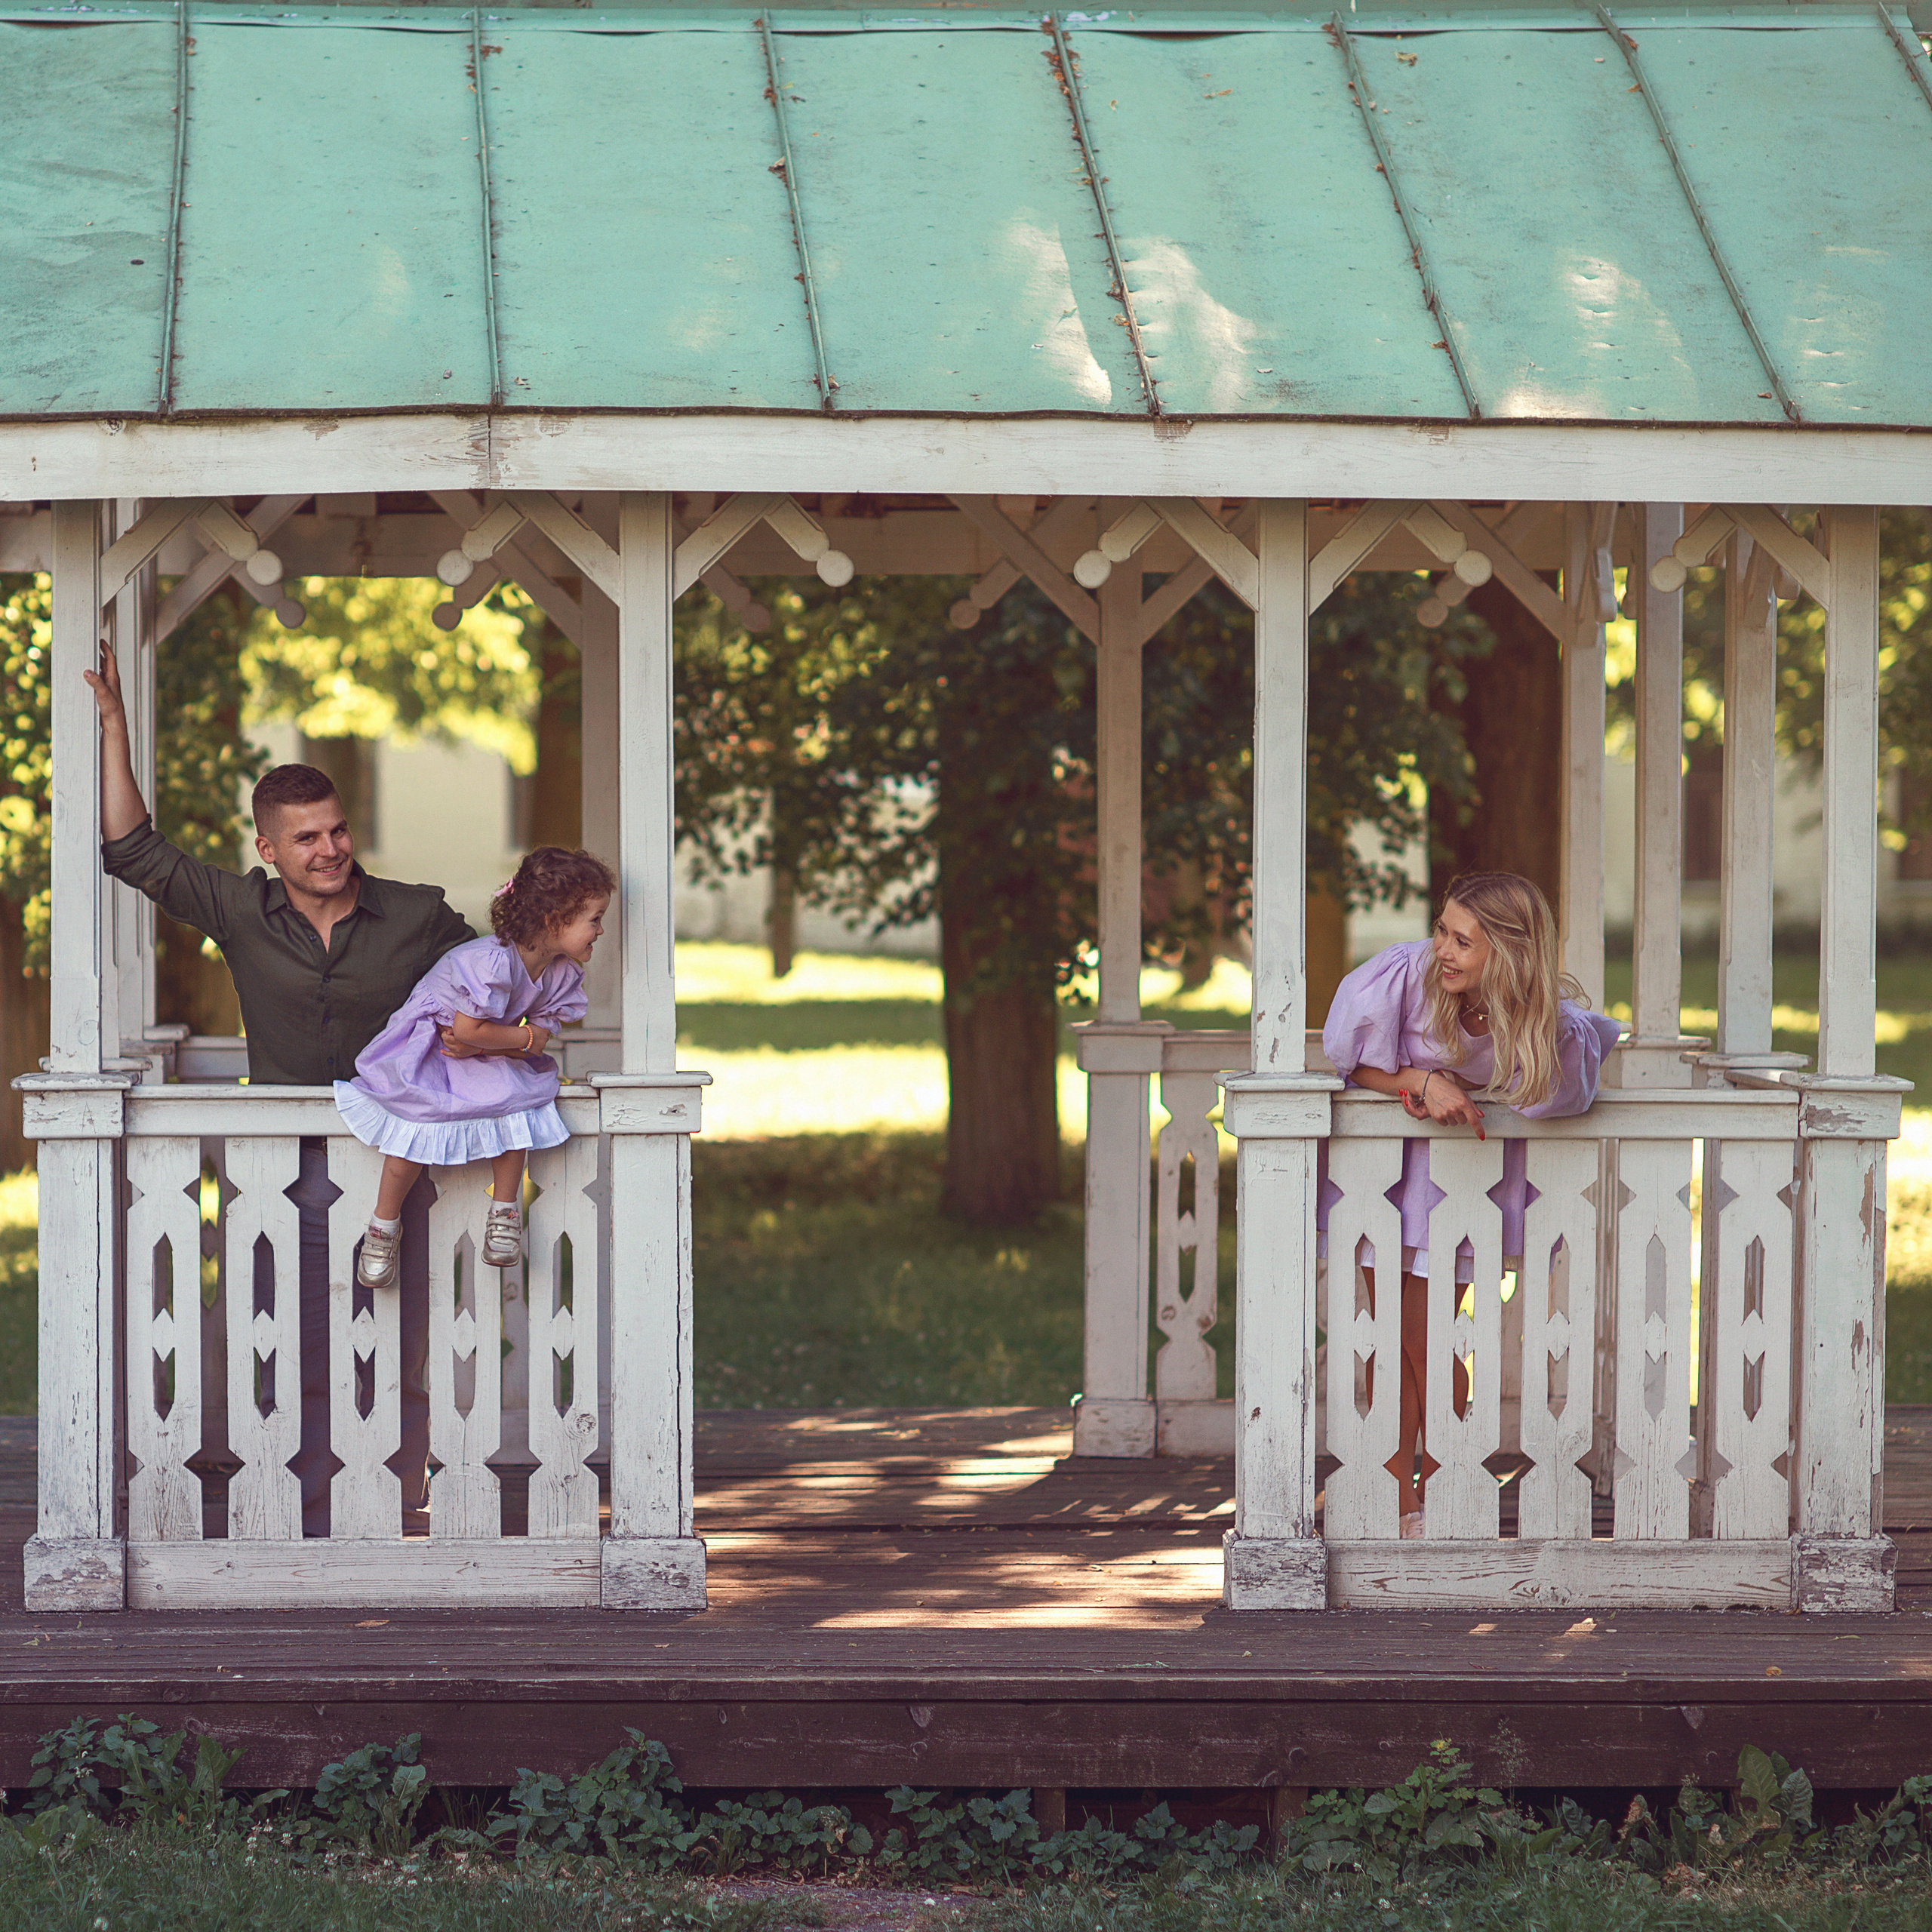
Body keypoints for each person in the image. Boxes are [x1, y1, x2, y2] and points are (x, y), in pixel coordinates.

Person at [86, 641, 473, 1537]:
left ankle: (394, 1505)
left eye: (337, 829)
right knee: (297, 1347)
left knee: (401, 1342)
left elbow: (490, 983)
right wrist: (114, 723)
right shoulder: (242, 910)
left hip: (401, 1166)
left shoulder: (416, 914)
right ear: (269, 846)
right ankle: (309, 1511)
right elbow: (133, 851)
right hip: (286, 1175)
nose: (330, 847)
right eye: (307, 836)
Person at [1321, 872, 1621, 1539]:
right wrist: (1421, 1079)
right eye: (1443, 931)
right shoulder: (1407, 976)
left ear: (1509, 954)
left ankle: (1445, 1480)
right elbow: (1352, 1063)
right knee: (1389, 1334)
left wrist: (1486, 1087)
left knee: (1432, 1337)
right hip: (1391, 1179)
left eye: (1464, 941)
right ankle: (1391, 1490)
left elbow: (1549, 1092)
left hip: (1465, 1182)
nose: (1444, 951)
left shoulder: (1548, 1022)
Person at [334, 847, 611, 1287]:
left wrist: (509, 1044)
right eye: (594, 919)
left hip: (481, 1046)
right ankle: (382, 1225)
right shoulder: (494, 961)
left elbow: (528, 1040)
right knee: (414, 1122)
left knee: (520, 1104)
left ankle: (504, 1212)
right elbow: (469, 1031)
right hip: (432, 1045)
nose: (600, 930)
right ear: (554, 919)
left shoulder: (559, 972)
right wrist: (516, 1040)